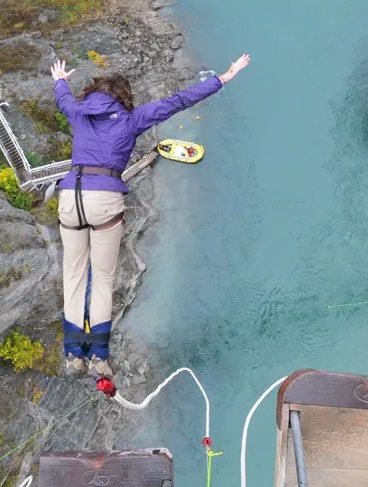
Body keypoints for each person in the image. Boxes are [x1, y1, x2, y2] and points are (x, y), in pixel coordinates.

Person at [50, 53, 251, 377]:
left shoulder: (78, 112)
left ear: (92, 93)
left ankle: (73, 355)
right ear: (124, 98)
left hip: (71, 196)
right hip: (104, 198)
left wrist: (60, 79)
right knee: (102, 279)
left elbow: (63, 99)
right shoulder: (133, 119)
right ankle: (98, 357)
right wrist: (224, 76)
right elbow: (179, 101)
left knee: (74, 276)